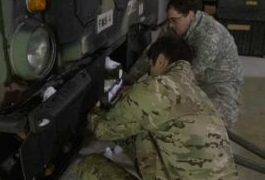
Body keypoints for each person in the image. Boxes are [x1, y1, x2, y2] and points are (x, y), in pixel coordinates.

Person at [75, 34, 238, 180]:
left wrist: (92, 110)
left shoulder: (157, 87)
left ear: (160, 60)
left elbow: (103, 130)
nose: (150, 74)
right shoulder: (199, 94)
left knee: (90, 166)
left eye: (151, 68)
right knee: (142, 134)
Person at [126, 0, 243, 128]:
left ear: (190, 15)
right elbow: (153, 53)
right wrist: (130, 80)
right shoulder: (174, 26)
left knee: (214, 124)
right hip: (194, 79)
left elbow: (193, 72)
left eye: (174, 20)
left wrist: (161, 88)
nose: (170, 24)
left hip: (219, 82)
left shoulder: (210, 35)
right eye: (169, 20)